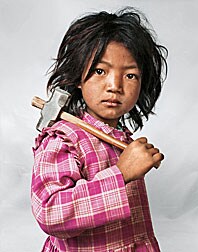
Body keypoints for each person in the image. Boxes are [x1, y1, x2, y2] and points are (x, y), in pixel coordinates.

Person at [31, 7, 168, 252]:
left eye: (130, 75)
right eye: (100, 71)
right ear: (77, 78)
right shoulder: (63, 140)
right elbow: (50, 213)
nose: (115, 86)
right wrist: (122, 173)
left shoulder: (122, 140)